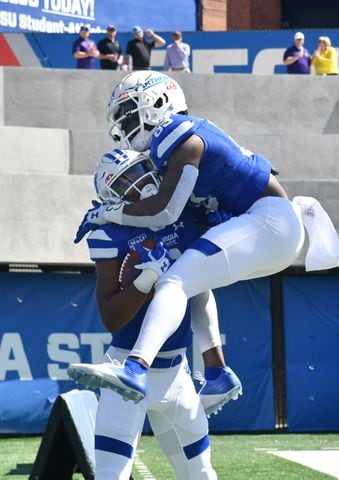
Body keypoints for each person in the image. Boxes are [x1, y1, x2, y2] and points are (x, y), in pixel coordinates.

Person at [73, 71, 305, 404]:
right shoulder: (178, 146)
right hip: (272, 227)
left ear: (157, 103)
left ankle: (135, 367)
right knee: (190, 274)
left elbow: (164, 211)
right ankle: (216, 372)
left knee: (174, 282)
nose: (124, 126)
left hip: (271, 221)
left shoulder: (176, 133)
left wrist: (108, 213)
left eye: (128, 114)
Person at [68, 148, 228, 479]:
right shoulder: (111, 232)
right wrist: (145, 281)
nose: (138, 181)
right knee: (112, 474)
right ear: (112, 196)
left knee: (201, 473)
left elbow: (202, 292)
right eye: (124, 180)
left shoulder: (185, 216)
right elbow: (111, 318)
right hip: (125, 372)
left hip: (177, 373)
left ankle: (219, 369)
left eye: (140, 169)